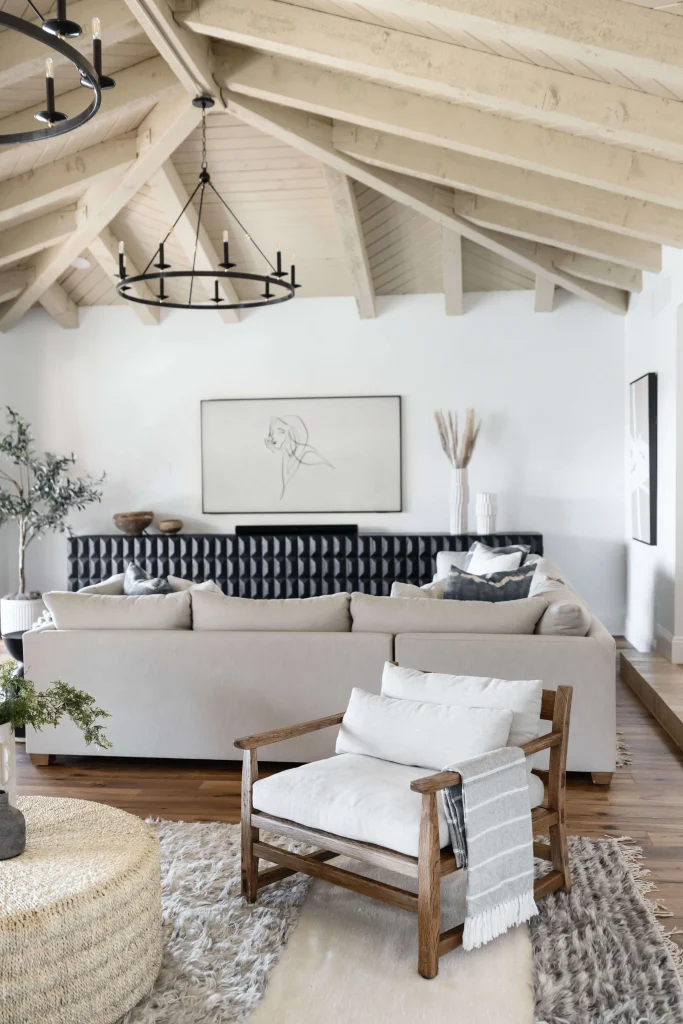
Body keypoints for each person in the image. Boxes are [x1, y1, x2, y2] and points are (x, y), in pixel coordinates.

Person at [265, 415, 333, 498]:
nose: (272, 437)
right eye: (272, 433)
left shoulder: (308, 455)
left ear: (292, 433)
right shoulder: (287, 456)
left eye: (280, 431)